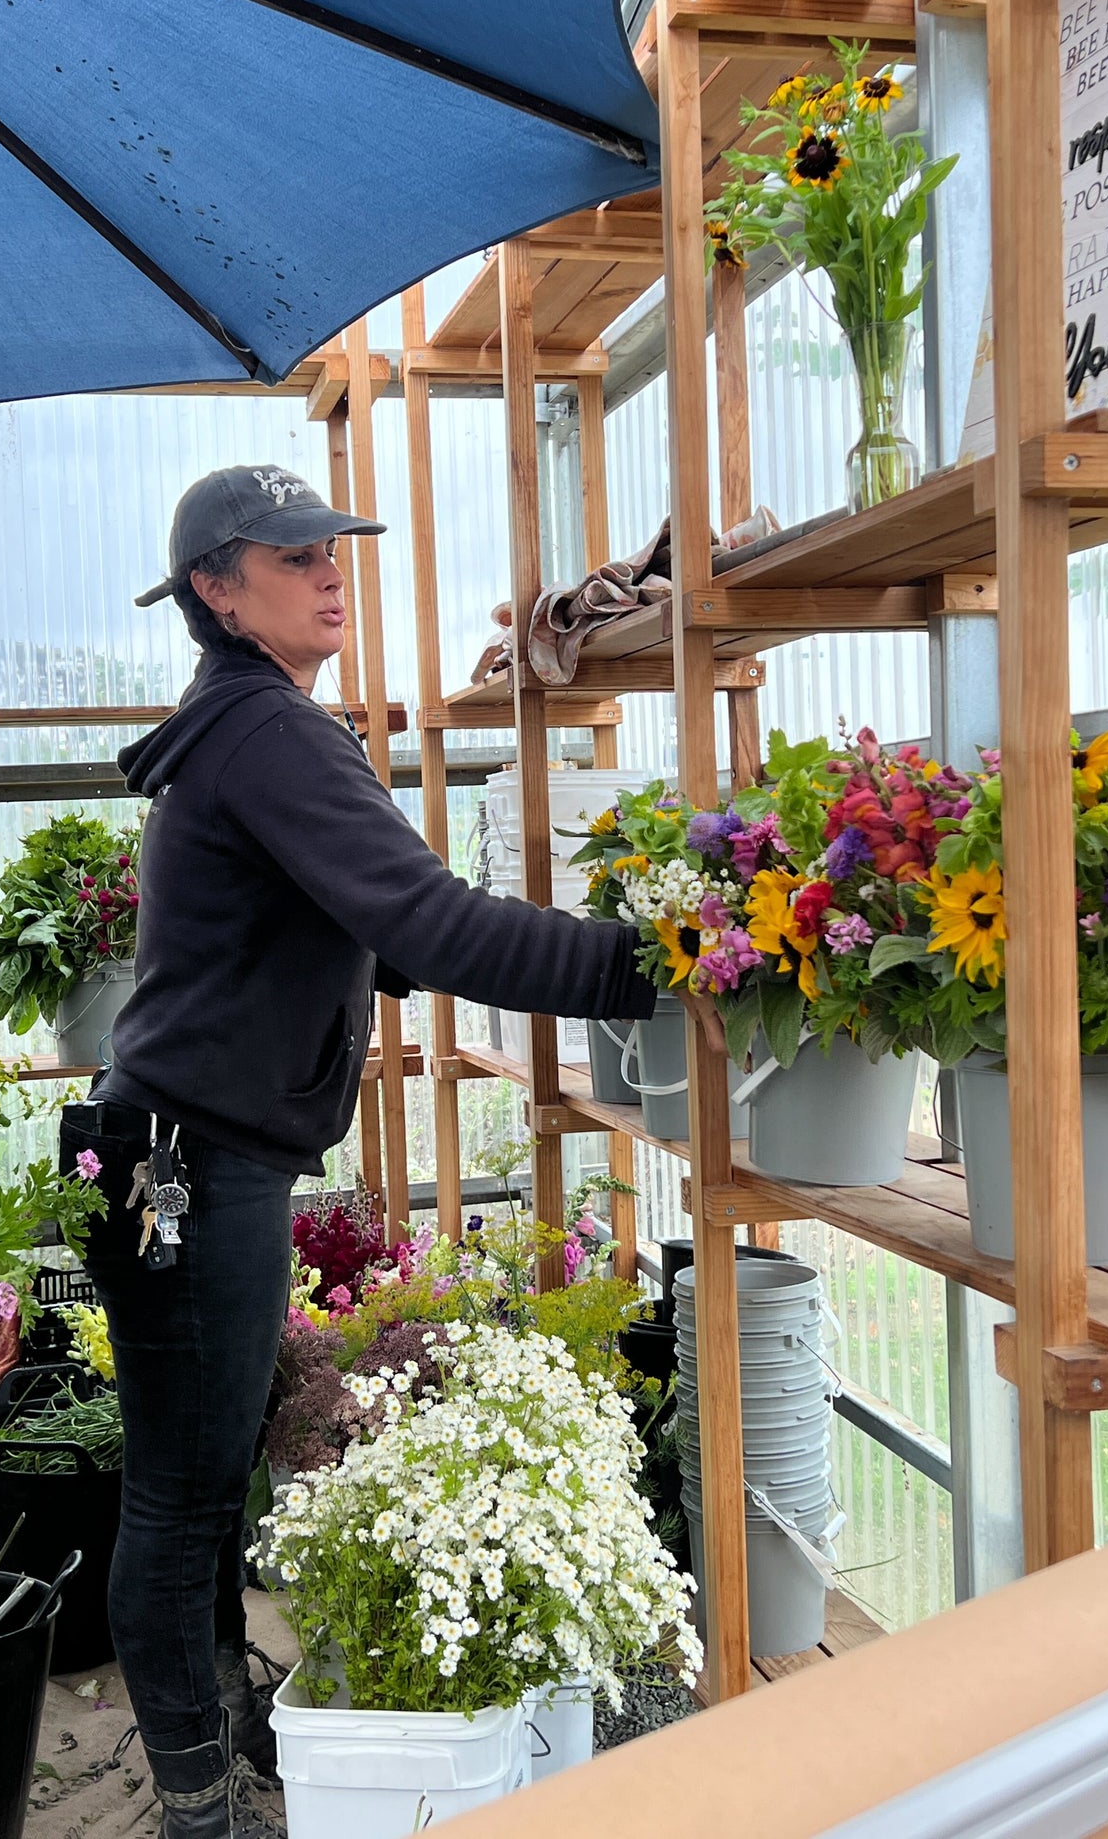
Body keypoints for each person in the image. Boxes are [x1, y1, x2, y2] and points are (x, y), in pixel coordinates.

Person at [59, 465, 723, 1839]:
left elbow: (333, 933)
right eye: (290, 554)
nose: (327, 568)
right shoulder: (269, 735)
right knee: (181, 1497)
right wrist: (659, 962)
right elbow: (435, 927)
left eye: (333, 547)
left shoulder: (244, 725)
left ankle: (228, 1747)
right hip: (184, 1167)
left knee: (198, 1476)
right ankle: (203, 1807)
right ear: (215, 592)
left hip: (179, 1153)